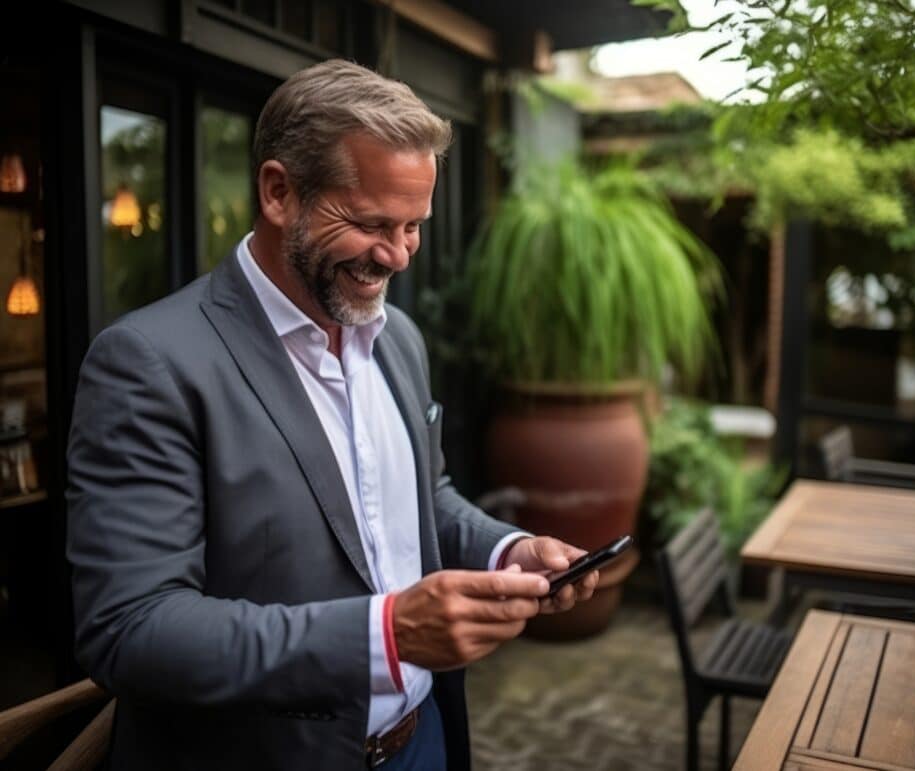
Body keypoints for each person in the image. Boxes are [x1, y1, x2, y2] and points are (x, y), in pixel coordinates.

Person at [66, 59, 598, 771]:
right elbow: (131, 630)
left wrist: (508, 549)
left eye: (414, 226)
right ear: (279, 191)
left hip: (425, 739)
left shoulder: (397, 339)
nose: (399, 255)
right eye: (372, 223)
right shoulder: (150, 362)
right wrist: (385, 634)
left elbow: (418, 499)